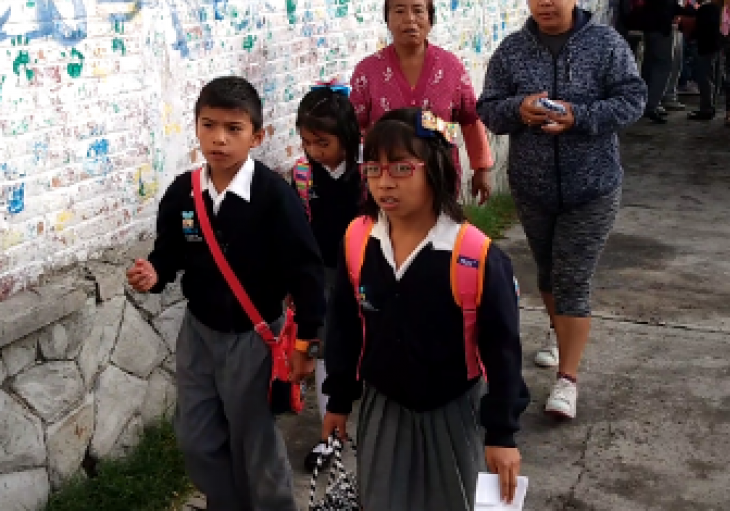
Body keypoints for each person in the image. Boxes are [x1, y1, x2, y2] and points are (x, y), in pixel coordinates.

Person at [127, 76, 326, 511]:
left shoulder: (274, 197)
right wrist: (153, 271)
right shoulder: (184, 192)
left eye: (233, 129)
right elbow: (169, 251)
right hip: (198, 333)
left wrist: (308, 339)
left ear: (257, 136)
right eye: (209, 125)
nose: (219, 139)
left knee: (254, 440)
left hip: (254, 337)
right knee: (196, 438)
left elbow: (306, 270)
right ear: (195, 128)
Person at [322, 108, 530, 511]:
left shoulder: (474, 255)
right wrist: (339, 399)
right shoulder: (358, 240)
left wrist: (502, 434)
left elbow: (502, 351)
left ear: (434, 169)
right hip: (383, 405)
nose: (385, 183)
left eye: (401, 168)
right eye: (374, 169)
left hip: (452, 408)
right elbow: (345, 326)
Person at [477, 0, 646, 419]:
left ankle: (567, 381)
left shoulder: (606, 44)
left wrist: (579, 117)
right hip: (533, 188)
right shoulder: (513, 50)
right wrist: (519, 109)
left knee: (573, 279)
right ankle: (559, 329)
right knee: (549, 273)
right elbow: (487, 107)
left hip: (592, 186)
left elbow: (633, 100)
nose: (545, 1)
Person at [349, 0, 494, 204]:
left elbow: (470, 119)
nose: (409, 19)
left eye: (418, 11)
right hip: (387, 182)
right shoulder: (367, 71)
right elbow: (354, 127)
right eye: (399, 11)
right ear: (387, 20)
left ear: (430, 20)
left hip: (439, 177)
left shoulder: (450, 67)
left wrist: (482, 168)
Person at [290, 83, 364, 472]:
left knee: (370, 349)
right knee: (325, 352)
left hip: (369, 274)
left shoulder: (370, 171)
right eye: (307, 142)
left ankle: (369, 429)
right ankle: (329, 436)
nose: (315, 151)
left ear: (347, 136)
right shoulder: (303, 175)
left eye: (323, 142)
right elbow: (298, 231)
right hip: (323, 277)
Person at [640, 0, 694, 123]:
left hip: (650, 28)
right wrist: (689, 12)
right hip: (662, 28)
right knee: (663, 66)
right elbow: (668, 7)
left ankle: (645, 102)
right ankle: (652, 105)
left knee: (649, 65)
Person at [686, 0, 723, 121]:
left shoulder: (703, 10)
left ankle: (706, 108)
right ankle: (712, 106)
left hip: (705, 48)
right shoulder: (716, 8)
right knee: (715, 78)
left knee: (705, 79)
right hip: (716, 47)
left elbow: (699, 30)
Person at [663, 0, 693, 113]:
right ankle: (667, 95)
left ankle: (670, 94)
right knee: (670, 62)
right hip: (671, 26)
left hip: (678, 25)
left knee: (677, 61)